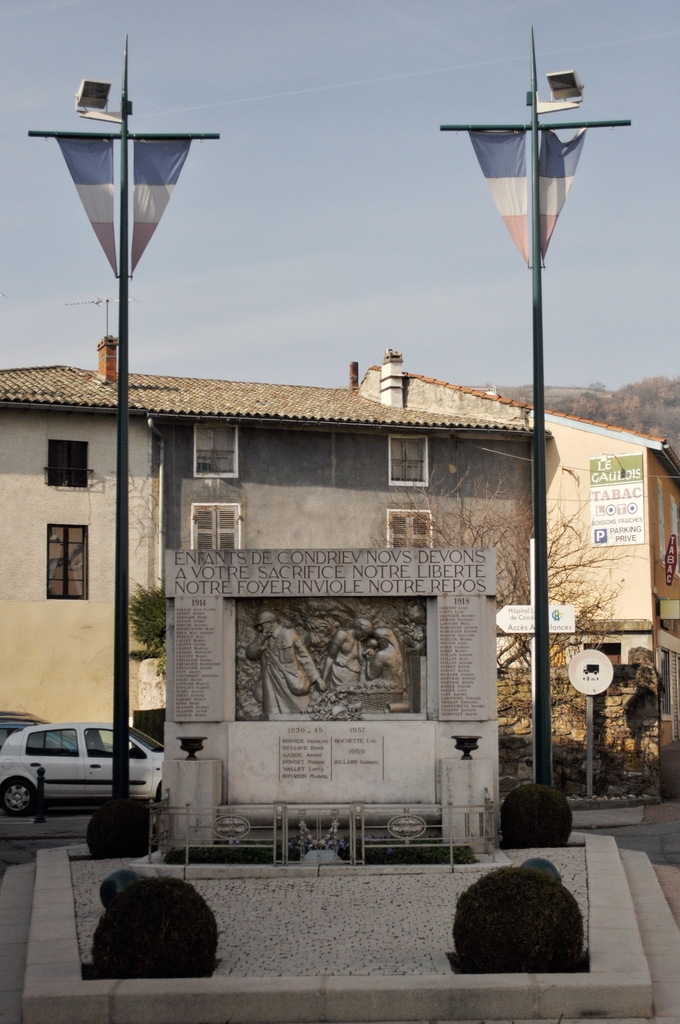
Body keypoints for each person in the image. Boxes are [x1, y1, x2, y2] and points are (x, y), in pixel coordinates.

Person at [246, 609, 323, 716]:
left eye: (260, 625)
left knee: (305, 714)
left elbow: (304, 656)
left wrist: (316, 678)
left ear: (270, 623)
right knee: (273, 716)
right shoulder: (262, 636)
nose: (259, 628)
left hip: (291, 682)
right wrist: (262, 638)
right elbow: (251, 655)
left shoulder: (289, 632)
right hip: (271, 685)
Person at [321, 617, 374, 690]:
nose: (365, 637)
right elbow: (330, 657)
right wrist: (323, 680)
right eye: (365, 633)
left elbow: (362, 662)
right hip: (339, 674)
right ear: (358, 629)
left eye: (368, 635)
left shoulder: (360, 642)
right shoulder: (342, 634)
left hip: (354, 677)